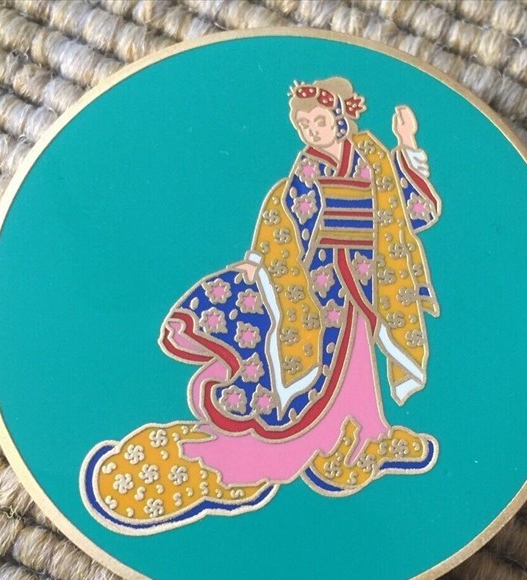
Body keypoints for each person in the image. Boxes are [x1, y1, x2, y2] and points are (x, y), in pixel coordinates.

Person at [82, 77, 442, 533]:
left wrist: (407, 145)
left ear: (340, 118)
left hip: (368, 276)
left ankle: (364, 430)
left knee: (355, 359)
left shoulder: (372, 157)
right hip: (320, 280)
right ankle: (317, 438)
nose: (312, 131)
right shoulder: (305, 171)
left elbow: (408, 209)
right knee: (322, 357)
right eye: (304, 125)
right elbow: (282, 220)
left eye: (318, 120)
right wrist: (260, 262)